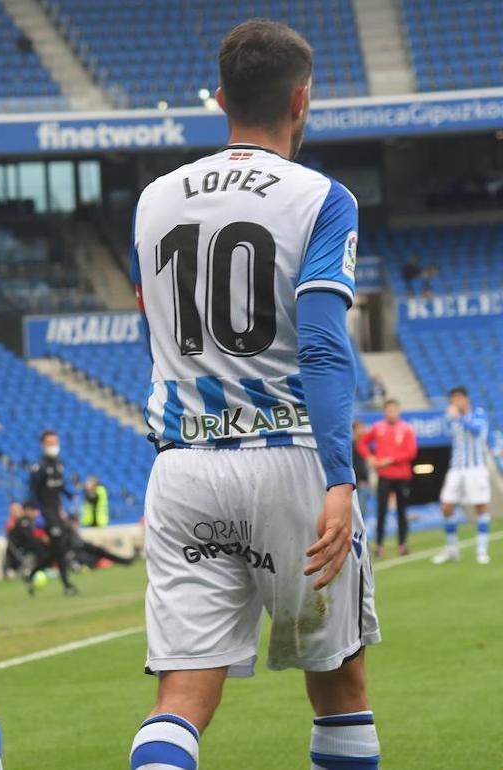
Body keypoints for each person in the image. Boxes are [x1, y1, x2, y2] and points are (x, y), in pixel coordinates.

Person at [128, 20, 379, 770]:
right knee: (339, 682)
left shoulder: (152, 200)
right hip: (292, 457)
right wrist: (340, 476)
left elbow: (156, 332)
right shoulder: (323, 198)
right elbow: (326, 344)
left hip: (185, 466)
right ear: (301, 100)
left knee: (181, 696)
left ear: (220, 97)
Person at [433, 386, 492, 565]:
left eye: (458, 398)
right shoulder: (452, 418)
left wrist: (459, 417)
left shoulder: (479, 413)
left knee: (480, 507)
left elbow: (476, 430)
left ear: (466, 399)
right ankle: (453, 550)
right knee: (446, 506)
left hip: (476, 468)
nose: (456, 402)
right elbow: (447, 430)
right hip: (456, 468)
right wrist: (453, 418)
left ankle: (482, 551)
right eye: (453, 399)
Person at [356, 399, 416, 557]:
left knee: (402, 512)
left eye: (393, 410)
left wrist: (391, 460)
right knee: (381, 511)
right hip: (384, 476)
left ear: (398, 411)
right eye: (388, 410)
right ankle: (380, 545)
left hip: (402, 475)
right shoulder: (378, 427)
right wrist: (370, 457)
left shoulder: (406, 429)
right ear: (385, 411)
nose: (391, 413)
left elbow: (411, 452)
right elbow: (361, 443)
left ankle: (402, 544)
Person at [29, 430, 77, 595]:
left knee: (58, 549)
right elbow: (33, 491)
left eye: (55, 442)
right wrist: (37, 513)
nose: (53, 446)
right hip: (46, 513)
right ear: (43, 445)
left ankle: (33, 573)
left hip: (57, 511)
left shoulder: (58, 464)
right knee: (60, 549)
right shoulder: (39, 467)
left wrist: (70, 495)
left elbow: (60, 486)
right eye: (49, 443)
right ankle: (67, 585)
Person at [352, 420, 374, 531]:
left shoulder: (364, 445)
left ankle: (362, 540)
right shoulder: (352, 445)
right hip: (358, 484)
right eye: (360, 428)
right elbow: (353, 465)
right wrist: (359, 480)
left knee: (363, 513)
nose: (362, 431)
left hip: (365, 483)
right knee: (359, 514)